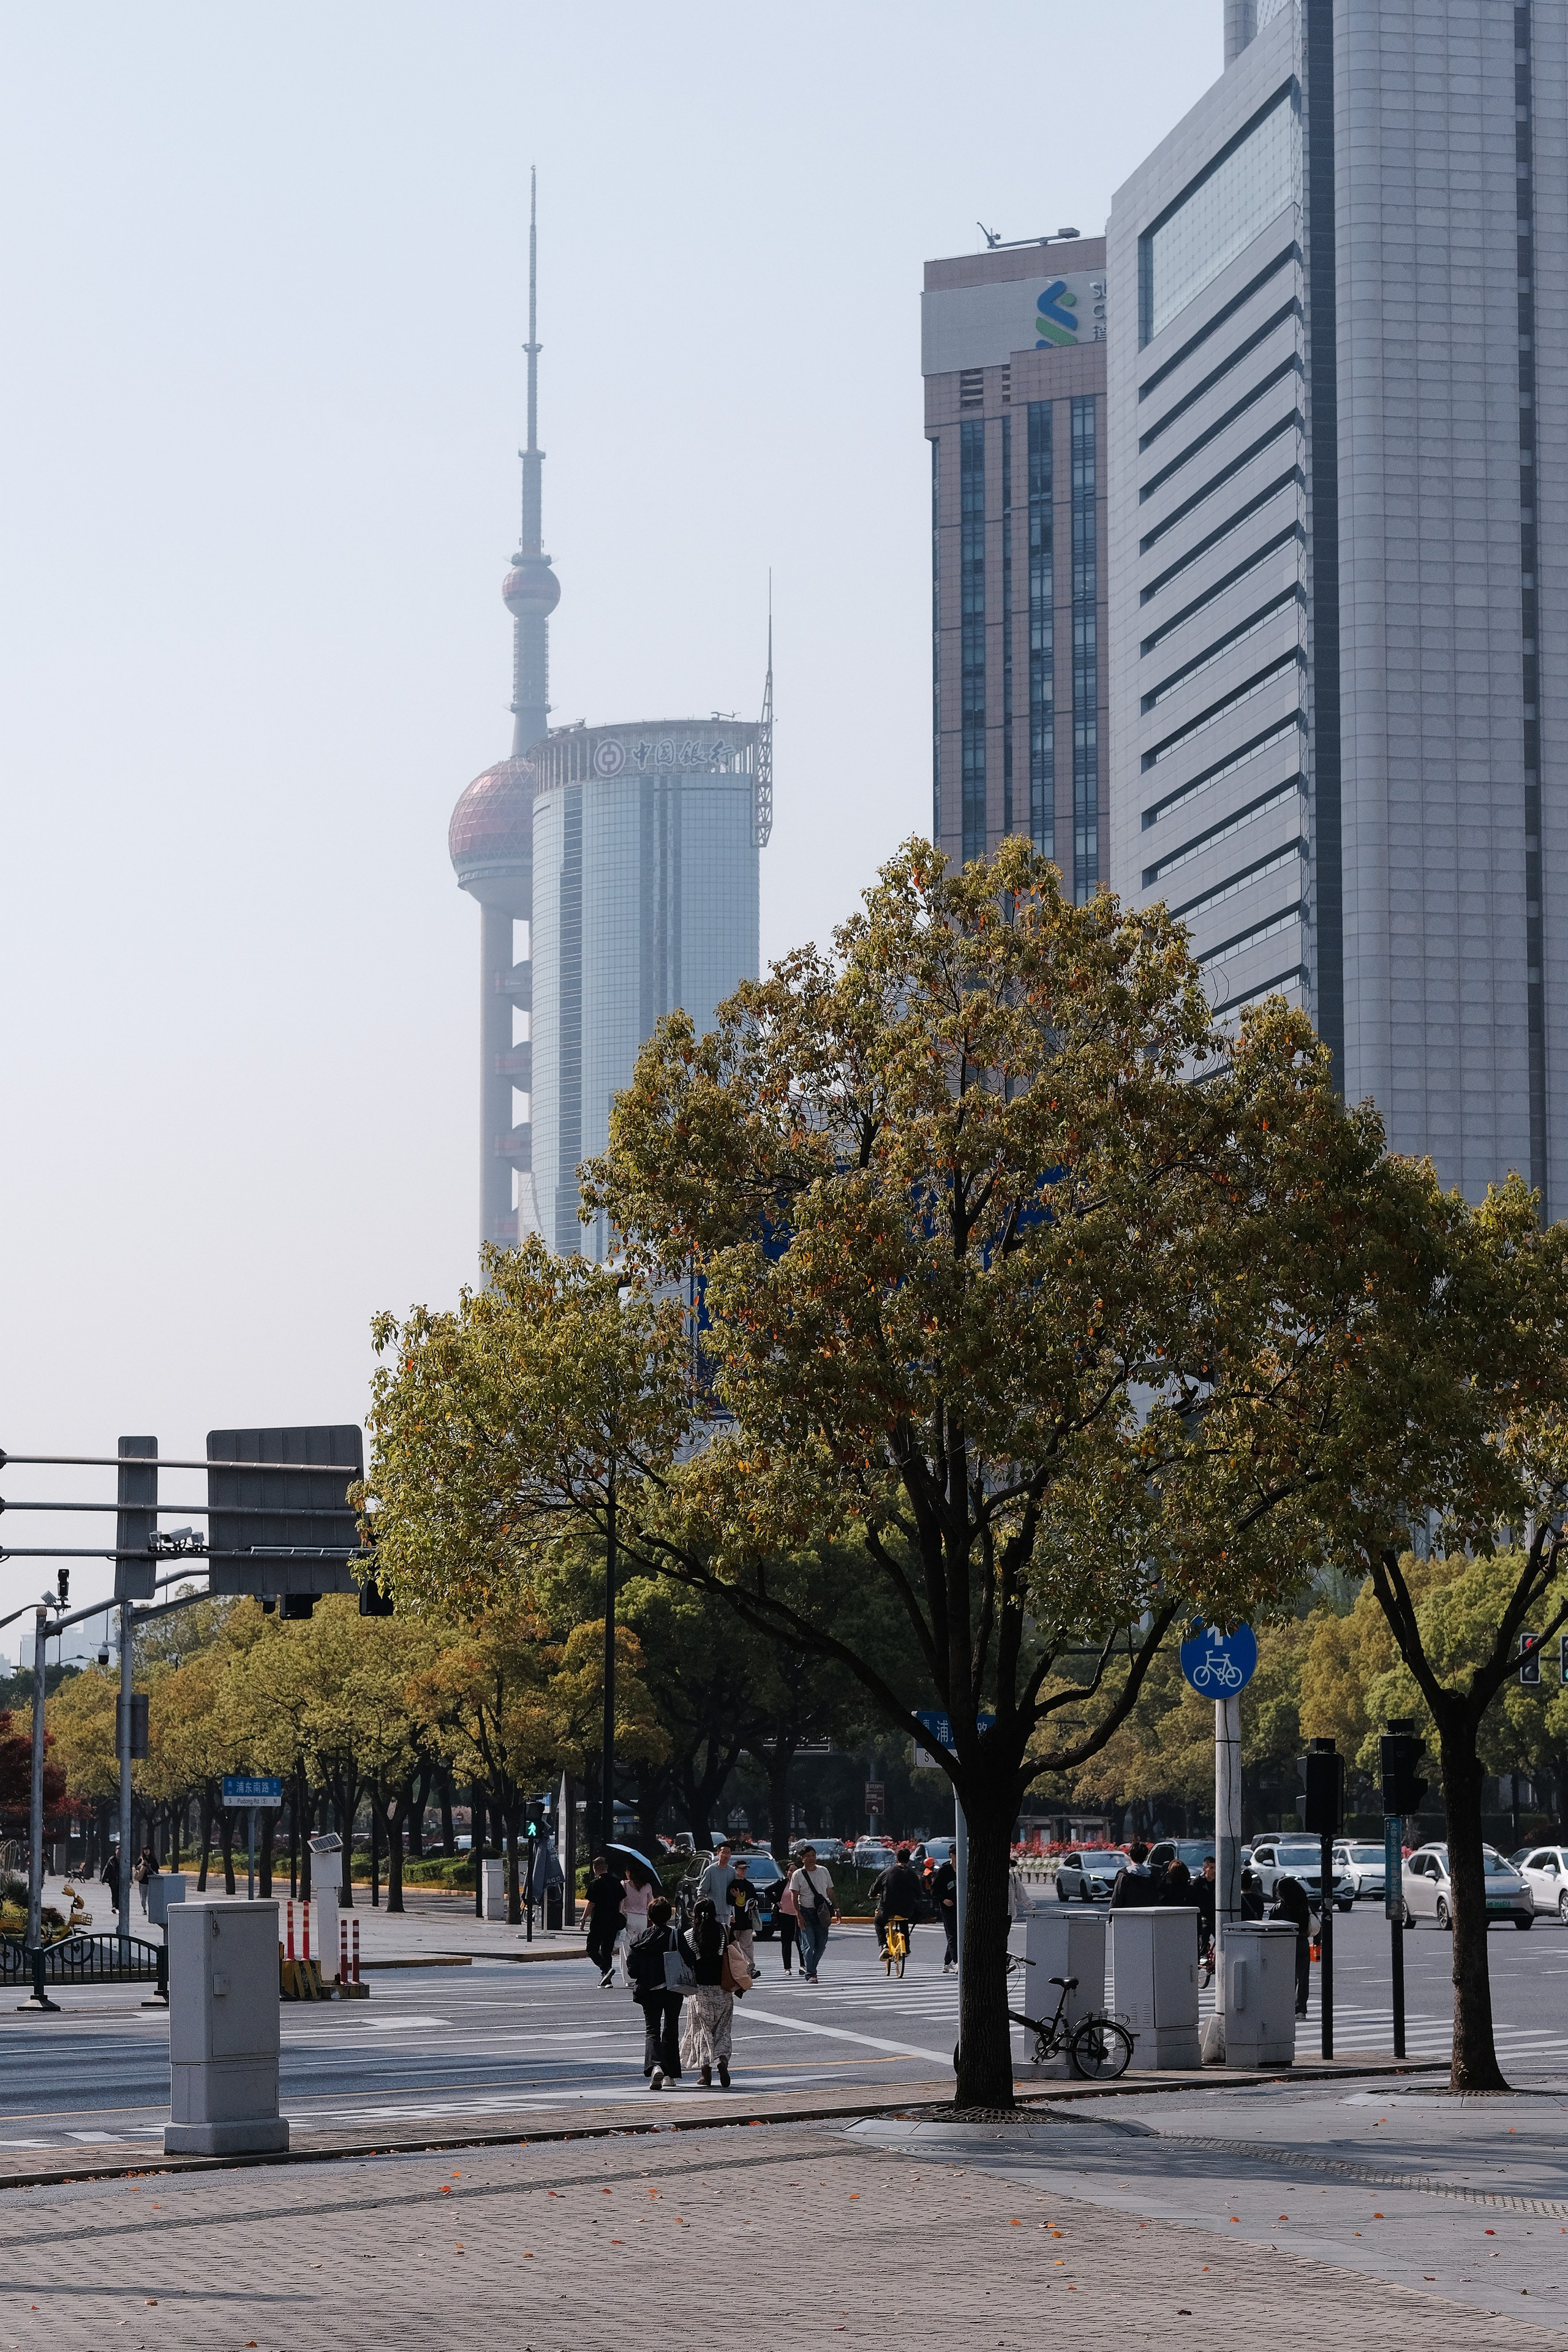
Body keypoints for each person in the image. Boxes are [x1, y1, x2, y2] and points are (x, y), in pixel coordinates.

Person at [627, 1896, 690, 2089]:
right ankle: (669, 2075)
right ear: (669, 1916)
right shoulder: (676, 1936)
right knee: (671, 2030)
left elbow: (632, 1969)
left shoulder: (641, 1939)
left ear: (650, 1917)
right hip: (672, 1989)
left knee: (651, 2030)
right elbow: (689, 1959)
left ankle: (655, 2067)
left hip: (649, 1991)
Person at [679, 1897, 735, 2087]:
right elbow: (736, 1954)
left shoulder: (687, 1936)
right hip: (723, 1989)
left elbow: (684, 1963)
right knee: (723, 2030)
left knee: (701, 2032)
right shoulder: (725, 1931)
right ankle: (723, 2061)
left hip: (699, 1991)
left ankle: (706, 2075)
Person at [788, 1845, 837, 1983]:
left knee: (821, 1945)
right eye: (808, 1856)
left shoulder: (824, 1871)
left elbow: (830, 1891)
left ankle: (811, 1968)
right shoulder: (798, 1874)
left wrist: (837, 1908)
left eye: (813, 1855)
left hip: (822, 1912)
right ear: (802, 1859)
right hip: (806, 1911)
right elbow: (794, 1896)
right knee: (808, 1946)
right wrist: (798, 1915)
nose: (811, 1858)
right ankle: (811, 1973)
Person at [1270, 1872, 1316, 2018]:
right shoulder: (1304, 1905)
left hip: (1283, 1945)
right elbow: (1315, 1924)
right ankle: (1301, 2009)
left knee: (1285, 1978)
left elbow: (1270, 1928)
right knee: (1302, 1978)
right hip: (1302, 1942)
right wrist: (1317, 1943)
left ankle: (1285, 2007)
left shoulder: (1278, 1908)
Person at [581, 1853, 627, 1988]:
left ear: (595, 1868)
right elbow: (621, 1900)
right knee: (607, 1950)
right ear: (606, 1867)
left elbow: (591, 1903)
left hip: (599, 1921)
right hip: (613, 1921)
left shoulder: (595, 1883)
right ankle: (607, 1979)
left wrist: (583, 1918)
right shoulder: (616, 1882)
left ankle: (605, 1970)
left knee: (591, 1948)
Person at [872, 1845, 925, 1960]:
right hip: (907, 1910)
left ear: (897, 1859)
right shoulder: (913, 1875)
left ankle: (884, 1945)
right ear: (908, 1860)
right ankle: (906, 1947)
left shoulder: (887, 1872)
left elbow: (875, 1888)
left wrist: (872, 1894)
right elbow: (919, 1895)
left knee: (879, 1923)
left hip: (887, 1909)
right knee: (904, 1922)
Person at [725, 1857, 761, 1975]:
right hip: (734, 1920)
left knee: (747, 1945)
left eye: (745, 1869)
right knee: (733, 1946)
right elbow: (728, 1901)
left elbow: (755, 1899)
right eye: (741, 1869)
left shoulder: (749, 1885)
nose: (744, 1871)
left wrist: (752, 1903)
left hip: (747, 1919)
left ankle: (750, 1968)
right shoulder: (732, 1884)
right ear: (736, 1870)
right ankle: (734, 1968)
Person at [1109, 1841, 1159, 1909]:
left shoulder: (1124, 1875)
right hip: (1147, 1915)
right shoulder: (1151, 1877)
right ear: (1145, 1857)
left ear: (1130, 1855)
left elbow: (1117, 1898)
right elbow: (1155, 1899)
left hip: (1127, 1915)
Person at [932, 1851, 958, 1972]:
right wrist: (943, 1900)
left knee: (957, 1935)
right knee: (952, 1935)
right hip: (948, 1908)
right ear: (952, 1855)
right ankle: (958, 1962)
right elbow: (935, 1890)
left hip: (961, 1907)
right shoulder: (944, 1871)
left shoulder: (964, 1868)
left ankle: (947, 1963)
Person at [697, 1841, 736, 1914]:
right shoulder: (710, 1870)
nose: (726, 1855)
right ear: (718, 1854)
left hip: (727, 1911)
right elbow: (702, 1891)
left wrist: (732, 1912)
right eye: (724, 1853)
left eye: (728, 1853)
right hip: (712, 1912)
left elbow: (733, 1894)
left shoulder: (732, 1872)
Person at [776, 1860, 800, 1976]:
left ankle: (803, 1965)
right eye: (791, 1870)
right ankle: (787, 1968)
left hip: (799, 1915)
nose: (793, 1872)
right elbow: (769, 1891)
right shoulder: (783, 1884)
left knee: (801, 1941)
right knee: (786, 1942)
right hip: (785, 1915)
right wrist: (777, 1902)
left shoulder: (802, 1883)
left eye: (796, 1870)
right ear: (787, 1873)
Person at [1195, 1856, 1217, 1980]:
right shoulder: (1198, 1882)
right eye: (1211, 1868)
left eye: (1215, 1868)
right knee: (1204, 1932)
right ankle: (1203, 1954)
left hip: (1215, 1915)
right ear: (1205, 1869)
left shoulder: (1218, 1882)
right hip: (1203, 1915)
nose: (1214, 1871)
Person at [134, 1846, 158, 1915]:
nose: (146, 1851)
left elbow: (157, 1868)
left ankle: (151, 1909)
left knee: (151, 1897)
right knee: (143, 1896)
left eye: (147, 1850)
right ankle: (144, 1909)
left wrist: (150, 1866)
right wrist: (142, 1864)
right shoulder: (141, 1859)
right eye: (145, 1850)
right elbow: (136, 1867)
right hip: (143, 1880)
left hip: (151, 1880)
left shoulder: (153, 1859)